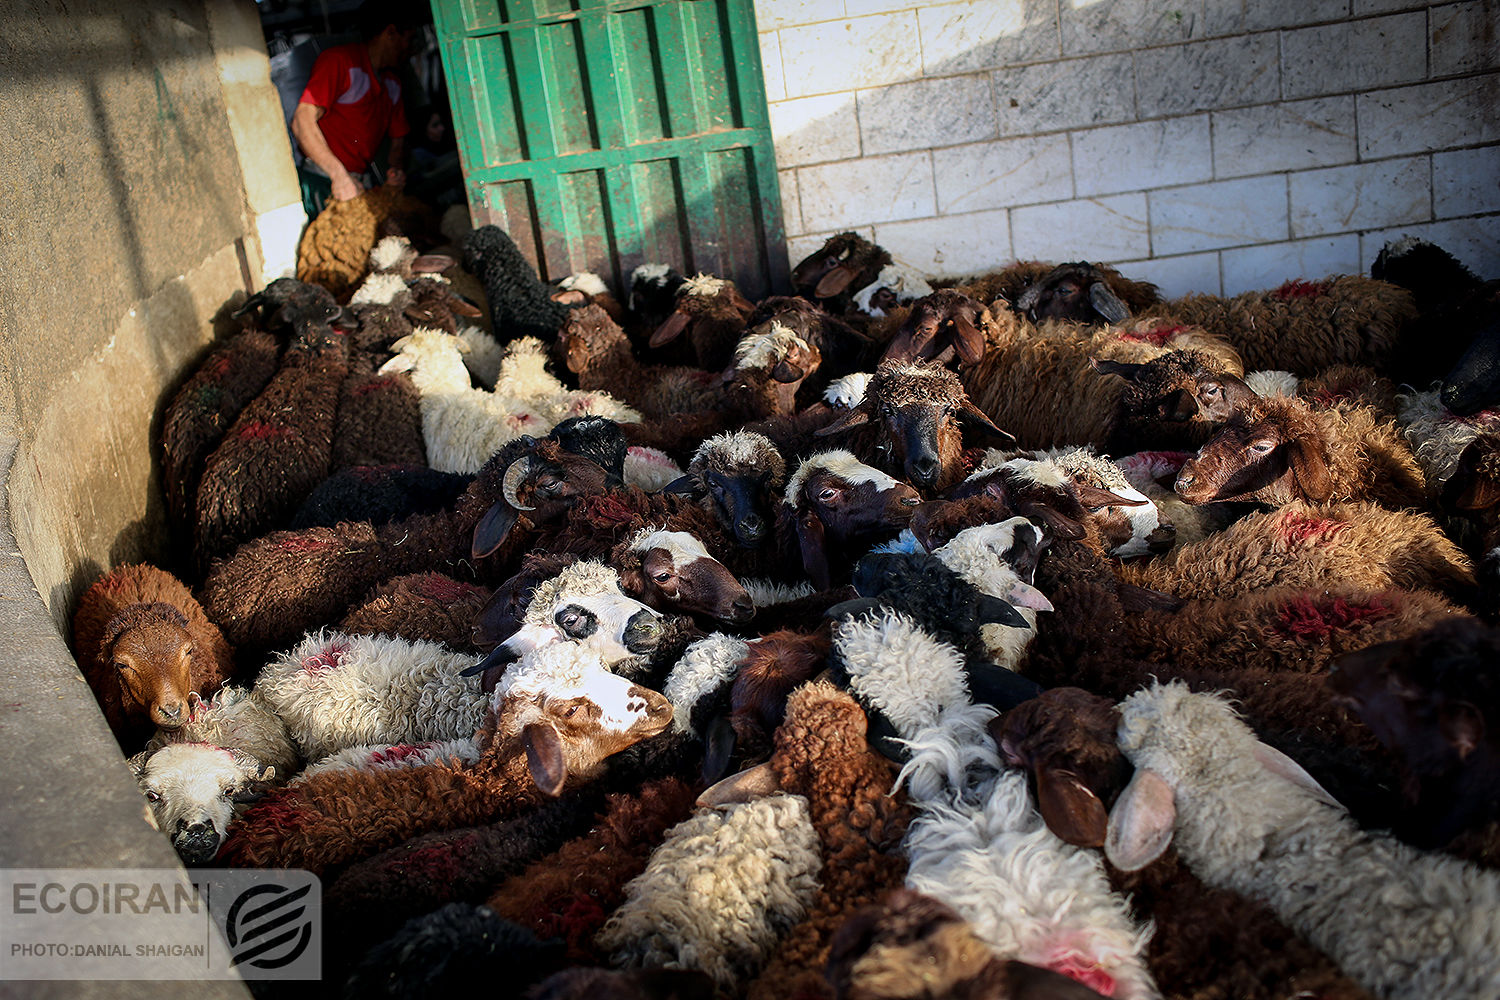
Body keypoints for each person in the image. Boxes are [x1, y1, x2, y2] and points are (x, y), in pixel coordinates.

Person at [291, 1, 422, 214]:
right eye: (407, 39)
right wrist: (338, 175)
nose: (409, 49)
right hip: (324, 179)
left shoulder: (392, 83)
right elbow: (301, 120)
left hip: (358, 180)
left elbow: (398, 141)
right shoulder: (340, 62)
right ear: (390, 32)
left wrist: (395, 173)